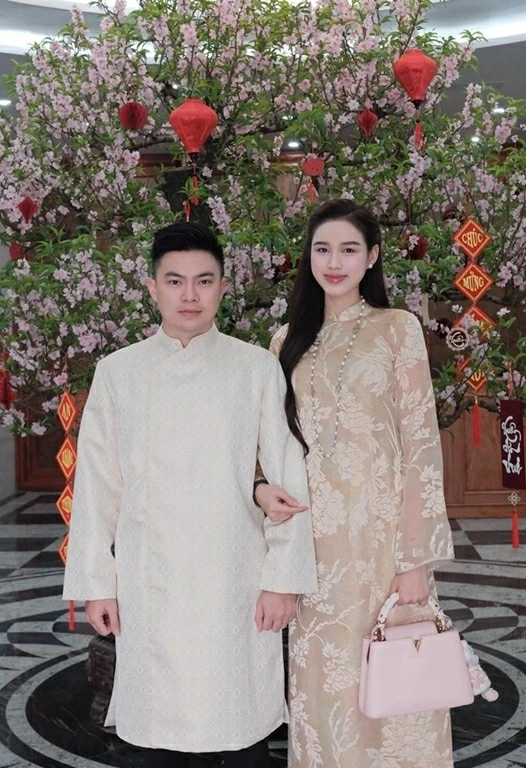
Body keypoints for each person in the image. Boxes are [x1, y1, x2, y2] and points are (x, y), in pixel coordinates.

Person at [62, 221, 318, 768]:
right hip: (149, 580)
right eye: (174, 281)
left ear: (223, 286)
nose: (190, 295)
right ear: (152, 287)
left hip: (234, 576)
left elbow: (289, 478)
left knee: (241, 726)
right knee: (154, 735)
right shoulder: (119, 372)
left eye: (204, 281)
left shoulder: (254, 367)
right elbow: (97, 487)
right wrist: (97, 585)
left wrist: (282, 581)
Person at [255, 199, 455, 767]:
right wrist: (261, 490)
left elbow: (421, 444)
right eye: (322, 249)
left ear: (372, 257)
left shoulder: (397, 329)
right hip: (313, 547)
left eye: (348, 249)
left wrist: (414, 558)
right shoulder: (285, 340)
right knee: (325, 693)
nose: (334, 262)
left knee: (398, 685)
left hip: (384, 546)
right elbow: (269, 445)